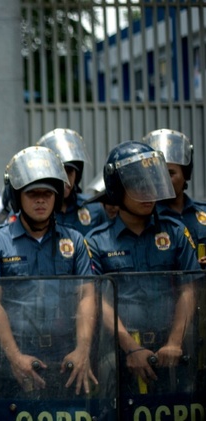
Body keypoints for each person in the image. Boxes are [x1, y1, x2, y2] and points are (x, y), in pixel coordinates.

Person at [0, 146, 97, 398]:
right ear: (17, 196)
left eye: (47, 193)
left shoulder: (75, 241)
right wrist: (14, 357)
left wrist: (82, 350)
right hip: (13, 356)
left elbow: (87, 295)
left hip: (67, 356)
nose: (41, 200)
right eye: (33, 194)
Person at [84, 141, 199, 394]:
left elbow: (188, 290)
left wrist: (174, 343)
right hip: (116, 354)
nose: (148, 191)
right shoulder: (95, 241)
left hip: (173, 352)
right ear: (116, 189)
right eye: (138, 184)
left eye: (152, 182)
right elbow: (97, 300)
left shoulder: (177, 232)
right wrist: (131, 347)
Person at [142, 129, 206, 265]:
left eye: (170, 173)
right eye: (158, 173)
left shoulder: (203, 213)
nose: (163, 179)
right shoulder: (145, 219)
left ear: (185, 176)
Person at [37, 128, 107, 235]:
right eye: (59, 171)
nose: (65, 179)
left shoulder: (93, 207)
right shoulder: (37, 209)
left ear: (77, 175)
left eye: (69, 172)